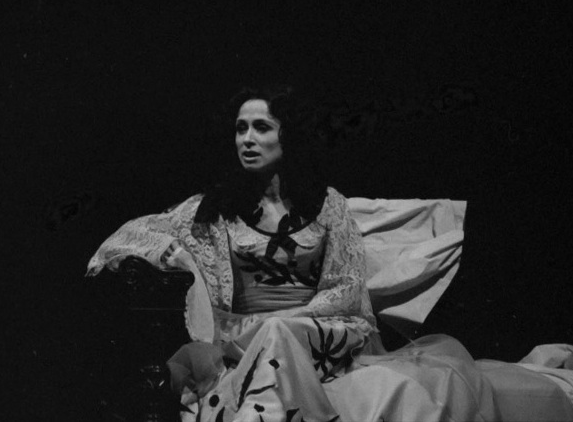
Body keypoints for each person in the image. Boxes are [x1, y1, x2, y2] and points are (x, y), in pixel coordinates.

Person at [87, 85, 382, 421]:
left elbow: (347, 287)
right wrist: (173, 251)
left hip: (317, 335)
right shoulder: (214, 209)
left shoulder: (328, 204)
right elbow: (125, 236)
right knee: (272, 335)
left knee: (278, 332)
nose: (247, 139)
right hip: (244, 338)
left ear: (289, 136)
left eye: (262, 128)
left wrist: (287, 319)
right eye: (241, 129)